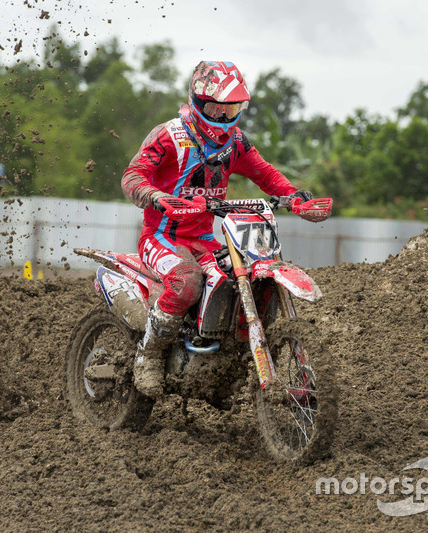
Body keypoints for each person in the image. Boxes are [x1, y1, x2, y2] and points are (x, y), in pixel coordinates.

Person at [121, 60, 312, 398]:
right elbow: (133, 175)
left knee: (240, 281)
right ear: (196, 102)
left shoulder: (235, 142)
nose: (223, 118)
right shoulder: (169, 136)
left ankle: (224, 359)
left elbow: (266, 174)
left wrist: (293, 196)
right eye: (215, 109)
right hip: (162, 236)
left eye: (232, 109)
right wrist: (155, 196)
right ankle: (148, 356)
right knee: (186, 282)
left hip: (204, 240)